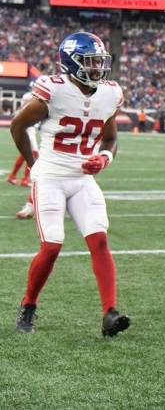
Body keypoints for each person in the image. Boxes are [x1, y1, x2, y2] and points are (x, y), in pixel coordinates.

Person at [9, 32, 130, 337]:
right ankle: (29, 305)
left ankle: (109, 312)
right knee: (51, 246)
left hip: (82, 178)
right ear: (71, 63)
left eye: (99, 62)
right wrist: (34, 163)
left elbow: (111, 137)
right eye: (90, 62)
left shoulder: (108, 93)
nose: (97, 68)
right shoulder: (54, 90)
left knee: (99, 240)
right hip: (50, 176)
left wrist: (103, 158)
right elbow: (18, 125)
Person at [7, 90, 38, 188]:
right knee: (34, 153)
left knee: (26, 153)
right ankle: (25, 179)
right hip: (28, 126)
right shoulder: (32, 96)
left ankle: (13, 176)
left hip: (27, 125)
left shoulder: (27, 95)